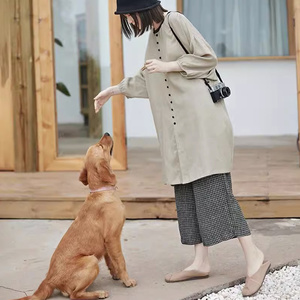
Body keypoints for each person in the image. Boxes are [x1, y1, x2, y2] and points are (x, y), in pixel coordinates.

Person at [94, 0, 271, 297]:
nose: (130, 23)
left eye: (130, 16)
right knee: (187, 196)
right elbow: (146, 79)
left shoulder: (176, 21)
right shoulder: (154, 35)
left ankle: (255, 257)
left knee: (217, 195)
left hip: (203, 127)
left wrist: (171, 65)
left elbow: (207, 58)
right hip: (179, 135)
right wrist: (113, 91)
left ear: (143, 10)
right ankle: (200, 261)